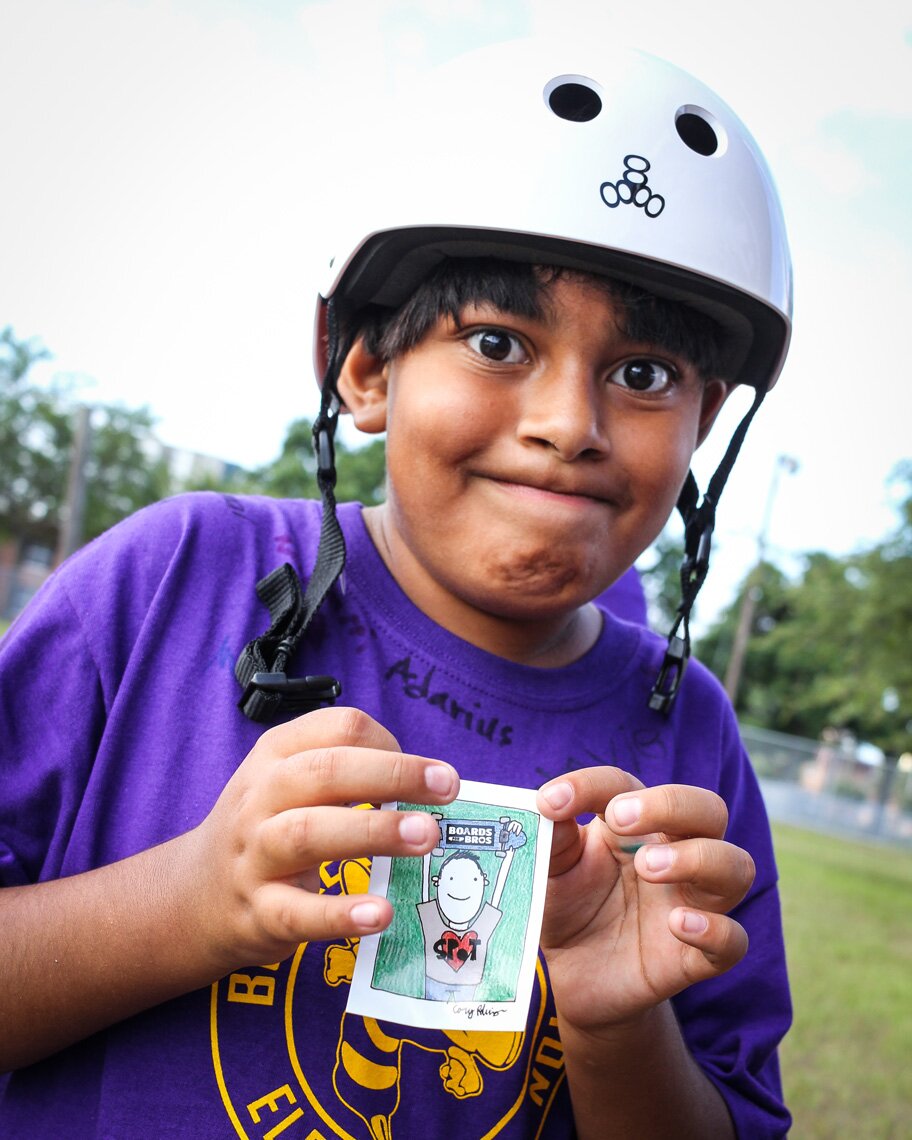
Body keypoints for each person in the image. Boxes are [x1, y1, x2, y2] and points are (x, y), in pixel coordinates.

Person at [0, 39, 792, 1139]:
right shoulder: (166, 582)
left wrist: (621, 1025)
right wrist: (185, 904)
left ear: (704, 420)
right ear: (363, 369)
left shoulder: (690, 730)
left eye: (644, 374)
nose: (570, 423)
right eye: (496, 340)